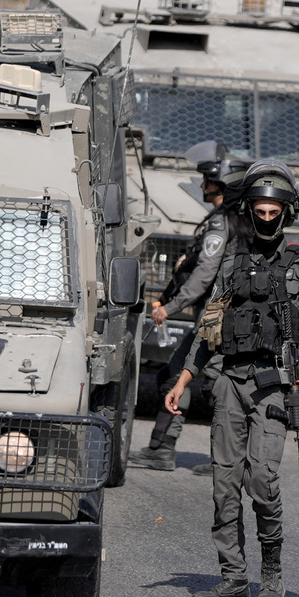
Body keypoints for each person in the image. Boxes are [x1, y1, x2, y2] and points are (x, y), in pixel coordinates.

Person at [164, 159, 299, 597]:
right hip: (229, 383)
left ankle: (273, 573)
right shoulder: (232, 265)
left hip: (274, 387)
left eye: (273, 213)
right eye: (258, 212)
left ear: (286, 213)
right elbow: (209, 326)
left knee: (262, 480)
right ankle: (234, 580)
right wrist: (184, 378)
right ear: (249, 211)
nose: (265, 219)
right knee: (224, 485)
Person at [129, 148, 250, 472]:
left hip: (217, 314)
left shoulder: (222, 222)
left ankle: (225, 460)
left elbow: (204, 274)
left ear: (222, 185)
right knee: (185, 375)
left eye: (208, 180)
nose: (202, 186)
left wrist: (170, 307)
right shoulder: (245, 221)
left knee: (212, 383)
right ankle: (163, 449)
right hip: (229, 315)